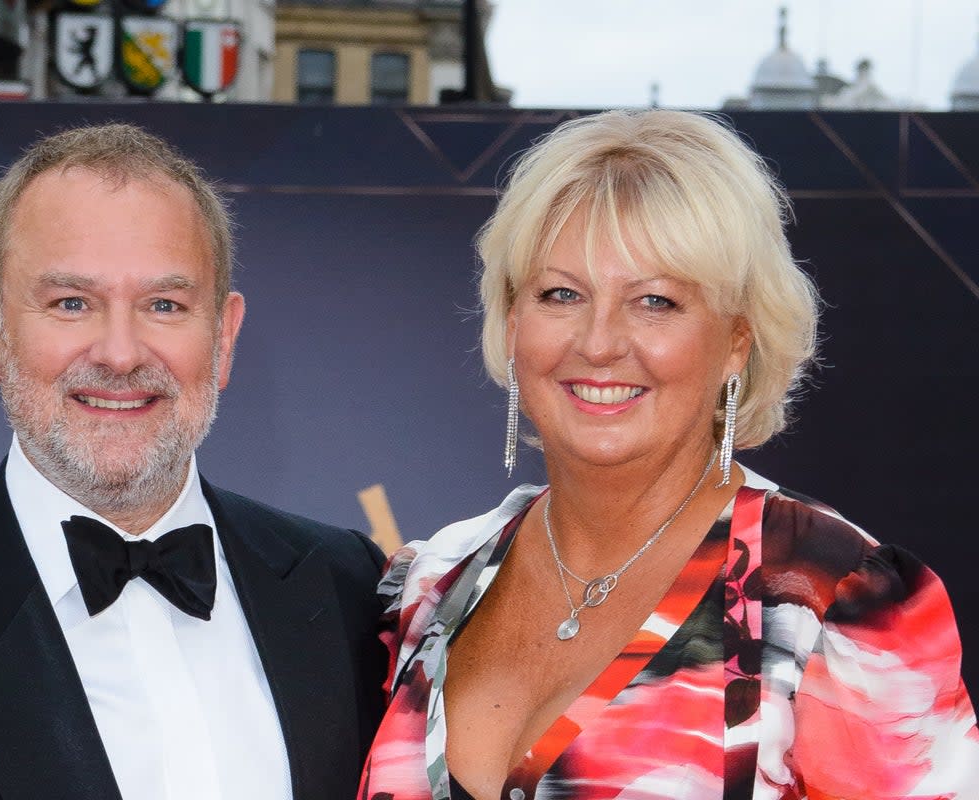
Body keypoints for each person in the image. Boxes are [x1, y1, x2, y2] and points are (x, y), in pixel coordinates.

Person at [357, 110, 979, 800]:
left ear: (737, 341)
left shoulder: (828, 598)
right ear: (511, 322)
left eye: (655, 301)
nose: (599, 343)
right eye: (561, 294)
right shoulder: (429, 587)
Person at [0, 123, 387, 799]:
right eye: (72, 303)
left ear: (223, 337)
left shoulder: (348, 589)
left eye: (164, 304)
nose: (120, 353)